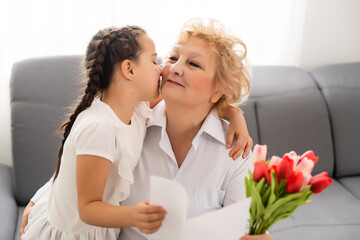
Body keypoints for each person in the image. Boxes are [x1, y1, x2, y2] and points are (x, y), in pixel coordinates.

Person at [20, 19, 269, 240]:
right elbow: (83, 163)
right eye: (172, 58)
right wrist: (40, 198)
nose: (174, 68)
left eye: (193, 63)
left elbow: (242, 226)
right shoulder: (135, 118)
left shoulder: (235, 149)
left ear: (218, 90)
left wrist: (233, 111)